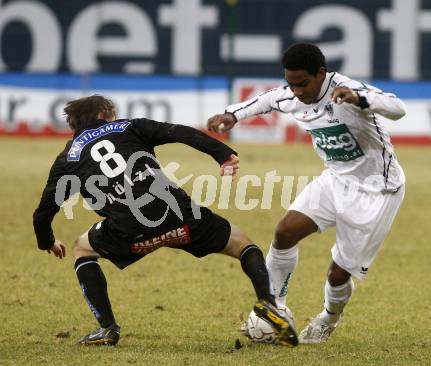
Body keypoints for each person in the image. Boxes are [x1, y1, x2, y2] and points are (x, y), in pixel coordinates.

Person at [33, 95, 298, 347]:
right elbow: (180, 132)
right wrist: (222, 154)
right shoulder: (129, 126)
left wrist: (46, 240)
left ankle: (107, 328)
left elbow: (44, 210)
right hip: (178, 215)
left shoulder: (68, 158)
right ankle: (267, 302)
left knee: (82, 249)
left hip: (128, 232)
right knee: (242, 244)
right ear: (104, 114)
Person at [207, 43, 406, 344]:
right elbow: (267, 100)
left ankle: (328, 319)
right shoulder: (292, 94)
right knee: (285, 232)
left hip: (377, 190)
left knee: (338, 274)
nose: (297, 91)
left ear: (322, 74)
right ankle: (275, 308)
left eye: (303, 83)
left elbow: (397, 108)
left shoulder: (346, 90)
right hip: (335, 180)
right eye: (292, 84)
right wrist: (232, 115)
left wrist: (361, 99)